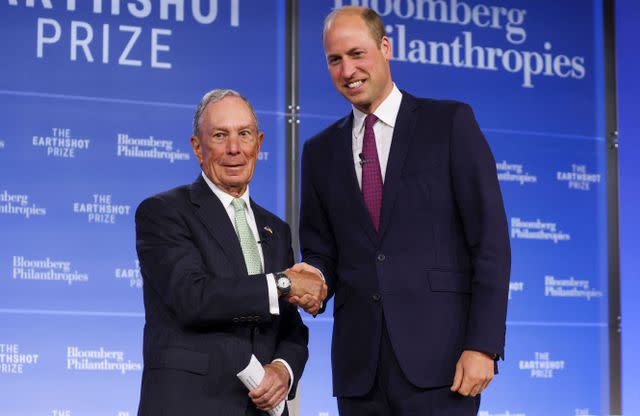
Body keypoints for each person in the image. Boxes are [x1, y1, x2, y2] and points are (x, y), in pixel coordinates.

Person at [294, 6, 511, 415]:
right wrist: (315, 277)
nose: (347, 70)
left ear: (385, 48)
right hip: (361, 373)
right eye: (334, 60)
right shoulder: (319, 152)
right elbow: (322, 251)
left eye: (357, 54)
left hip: (443, 367)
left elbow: (490, 242)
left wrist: (483, 345)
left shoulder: (449, 123)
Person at [135, 89, 326, 416]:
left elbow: (291, 329)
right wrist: (283, 283)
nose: (234, 148)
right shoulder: (163, 212)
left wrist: (283, 369)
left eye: (244, 134)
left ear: (259, 143)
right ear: (197, 147)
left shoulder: (276, 230)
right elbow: (192, 297)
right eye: (220, 135)